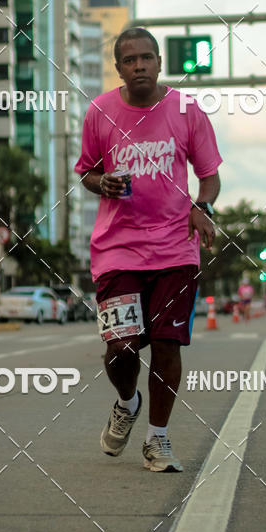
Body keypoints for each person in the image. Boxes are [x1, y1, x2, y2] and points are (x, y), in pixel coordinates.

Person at [75, 27, 222, 473]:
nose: (139, 65)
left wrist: (204, 206)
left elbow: (209, 174)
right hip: (117, 249)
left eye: (147, 58)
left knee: (166, 344)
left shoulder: (186, 110)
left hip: (176, 248)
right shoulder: (100, 112)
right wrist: (105, 182)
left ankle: (157, 439)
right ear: (119, 68)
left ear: (160, 62)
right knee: (121, 349)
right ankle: (127, 401)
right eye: (129, 59)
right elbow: (86, 172)